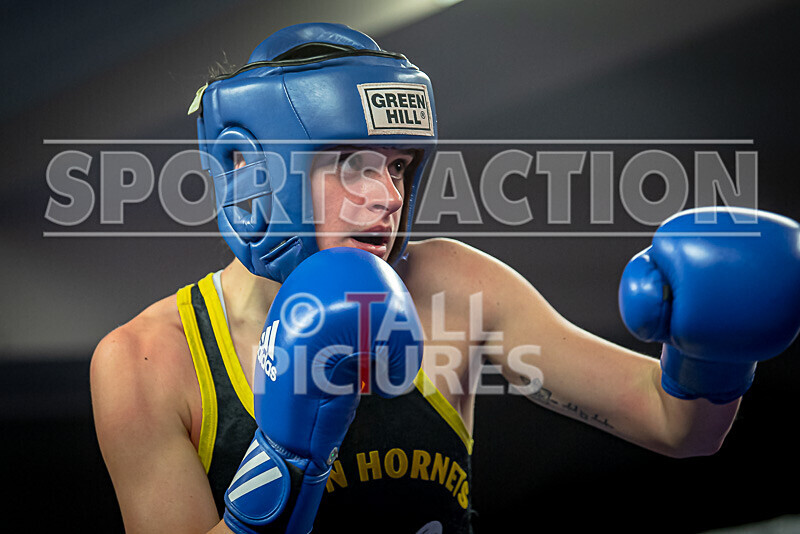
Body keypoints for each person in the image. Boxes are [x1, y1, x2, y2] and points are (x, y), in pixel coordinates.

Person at [90, 23, 800, 534]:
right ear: (254, 168)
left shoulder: (453, 288)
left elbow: (679, 427)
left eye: (397, 165)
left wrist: (713, 353)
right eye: (351, 163)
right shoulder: (148, 365)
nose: (388, 196)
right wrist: (287, 454)